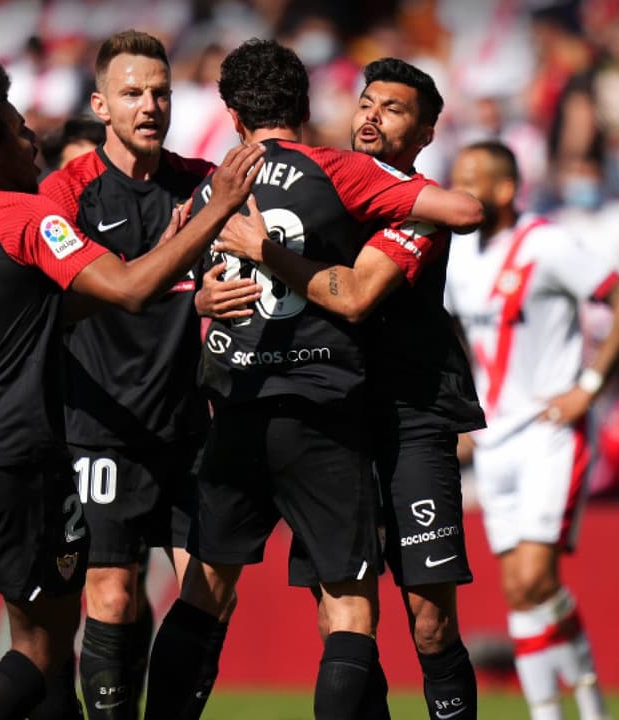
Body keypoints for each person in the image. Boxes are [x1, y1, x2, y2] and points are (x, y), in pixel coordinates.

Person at [0, 59, 262, 720]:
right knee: (40, 657)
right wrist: (216, 213)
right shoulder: (29, 218)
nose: (30, 141)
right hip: (17, 453)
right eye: (16, 132)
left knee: (46, 644)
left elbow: (47, 313)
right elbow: (126, 289)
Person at [143, 39, 483, 720]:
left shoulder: (392, 203)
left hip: (408, 418)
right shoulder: (333, 178)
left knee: (425, 620)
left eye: (393, 110)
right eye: (365, 103)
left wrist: (249, 257)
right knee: (342, 612)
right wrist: (204, 296)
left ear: (424, 132)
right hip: (329, 412)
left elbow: (358, 294)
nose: (372, 117)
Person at [37, 30, 220, 720]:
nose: (149, 105)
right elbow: (82, 295)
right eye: (132, 93)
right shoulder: (67, 192)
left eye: (161, 92)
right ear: (101, 105)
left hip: (187, 427)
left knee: (211, 589)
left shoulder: (204, 185)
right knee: (111, 593)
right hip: (103, 424)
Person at [444, 140, 619, 720]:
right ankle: (568, 705)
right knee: (519, 590)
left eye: (470, 178)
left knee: (535, 576)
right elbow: (462, 340)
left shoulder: (549, 244)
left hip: (549, 433)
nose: (458, 189)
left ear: (505, 190)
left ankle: (571, 706)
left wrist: (588, 386)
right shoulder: (459, 260)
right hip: (492, 440)